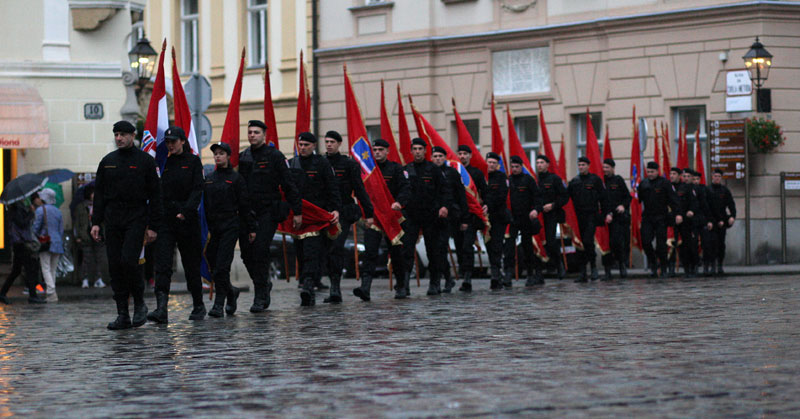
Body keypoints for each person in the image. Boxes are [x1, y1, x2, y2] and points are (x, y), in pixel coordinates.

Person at [92, 120, 161, 330]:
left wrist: (153, 225)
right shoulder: (107, 161)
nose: (119, 138)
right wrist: (96, 222)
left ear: (132, 136)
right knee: (115, 266)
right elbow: (99, 194)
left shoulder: (145, 161)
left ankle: (139, 303)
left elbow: (156, 195)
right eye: (116, 135)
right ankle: (122, 313)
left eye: (123, 134)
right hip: (113, 218)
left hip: (136, 216)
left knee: (129, 261)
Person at [238, 120, 302, 312]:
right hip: (248, 211)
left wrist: (297, 211)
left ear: (264, 135)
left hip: (268, 211)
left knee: (260, 249)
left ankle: (260, 294)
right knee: (246, 253)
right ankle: (264, 282)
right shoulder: (244, 156)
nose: (252, 135)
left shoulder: (275, 156)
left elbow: (288, 184)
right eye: (250, 132)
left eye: (256, 132)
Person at [147, 127, 206, 323]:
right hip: (166, 220)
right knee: (163, 264)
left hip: (186, 221)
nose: (170, 145)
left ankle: (198, 305)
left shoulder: (193, 161)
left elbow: (198, 189)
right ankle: (161, 309)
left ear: (182, 141)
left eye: (173, 141)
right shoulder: (164, 162)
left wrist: (186, 211)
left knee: (191, 264)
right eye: (168, 142)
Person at [204, 142, 256, 317]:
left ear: (228, 156)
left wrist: (251, 227)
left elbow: (244, 205)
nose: (218, 156)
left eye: (221, 153)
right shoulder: (209, 178)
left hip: (230, 225)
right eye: (216, 154)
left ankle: (218, 304)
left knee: (222, 266)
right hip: (213, 227)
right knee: (213, 265)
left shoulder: (236, 178)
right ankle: (231, 291)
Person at [289, 132, 341, 306]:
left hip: (317, 216)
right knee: (300, 252)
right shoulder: (292, 163)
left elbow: (332, 187)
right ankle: (307, 286)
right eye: (300, 145)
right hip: (298, 216)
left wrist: (335, 209)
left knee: (312, 251)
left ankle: (308, 286)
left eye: (306, 145)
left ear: (313, 146)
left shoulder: (321, 163)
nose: (302, 148)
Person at [355, 138, 411, 300]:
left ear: (387, 151)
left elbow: (405, 188)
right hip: (373, 218)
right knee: (370, 253)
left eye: (381, 150)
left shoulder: (396, 169)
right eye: (375, 150)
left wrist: (399, 202)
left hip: (392, 218)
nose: (378, 152)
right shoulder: (368, 169)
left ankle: (401, 286)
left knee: (397, 254)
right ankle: (365, 288)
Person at [323, 130, 374, 303]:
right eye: (327, 142)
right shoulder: (321, 163)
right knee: (326, 250)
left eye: (332, 142)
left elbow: (359, 189)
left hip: (343, 212)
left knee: (336, 247)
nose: (329, 145)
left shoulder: (349, 164)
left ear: (339, 144)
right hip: (323, 212)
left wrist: (369, 213)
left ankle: (335, 288)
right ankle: (329, 284)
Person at [402, 138, 449, 296]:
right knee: (407, 250)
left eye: (420, 149)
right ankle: (404, 284)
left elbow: (444, 190)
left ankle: (434, 282)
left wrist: (444, 206)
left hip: (431, 215)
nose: (417, 152)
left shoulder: (433, 169)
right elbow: (401, 191)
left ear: (425, 151)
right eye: (415, 149)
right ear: (411, 151)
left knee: (433, 250)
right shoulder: (406, 170)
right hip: (411, 215)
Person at [431, 146, 468, 294]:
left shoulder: (452, 173)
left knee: (445, 247)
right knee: (436, 250)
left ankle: (455, 277)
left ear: (445, 158)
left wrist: (464, 218)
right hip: (432, 216)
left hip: (451, 216)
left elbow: (461, 195)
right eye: (435, 156)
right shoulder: (428, 171)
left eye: (440, 156)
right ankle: (447, 277)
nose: (438, 159)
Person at [637, 161, 682, 278]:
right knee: (646, 242)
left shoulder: (665, 183)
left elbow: (674, 200)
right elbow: (639, 199)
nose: (650, 174)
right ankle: (653, 263)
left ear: (657, 171)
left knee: (661, 245)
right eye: (648, 172)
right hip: (647, 217)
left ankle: (663, 267)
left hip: (661, 217)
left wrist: (678, 214)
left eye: (652, 172)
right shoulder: (643, 183)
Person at [504, 156, 543, 287]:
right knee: (509, 247)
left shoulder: (528, 180)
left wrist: (536, 210)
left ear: (521, 167)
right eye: (512, 167)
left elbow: (538, 198)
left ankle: (530, 274)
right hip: (512, 219)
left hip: (526, 218)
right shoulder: (508, 181)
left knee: (527, 247)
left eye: (517, 167)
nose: (514, 169)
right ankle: (508, 274)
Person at [568, 156, 608, 282]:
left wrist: (604, 214)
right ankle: (583, 272)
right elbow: (567, 198)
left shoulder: (595, 180)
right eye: (579, 165)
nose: (581, 167)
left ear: (588, 166)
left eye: (583, 165)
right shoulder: (574, 181)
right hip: (578, 217)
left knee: (588, 241)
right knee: (580, 244)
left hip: (591, 215)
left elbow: (603, 198)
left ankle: (593, 267)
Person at [0, 201, 47, 305]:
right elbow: (22, 223)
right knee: (29, 269)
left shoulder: (16, 209)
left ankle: (3, 293)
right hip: (21, 243)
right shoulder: (16, 210)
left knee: (17, 270)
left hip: (20, 243)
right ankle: (33, 296)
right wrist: (31, 213)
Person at [455, 145, 487, 292]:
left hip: (472, 214)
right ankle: (463, 271)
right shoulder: (454, 172)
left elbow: (484, 191)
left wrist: (486, 205)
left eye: (465, 154)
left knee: (468, 246)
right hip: (457, 215)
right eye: (460, 154)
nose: (462, 156)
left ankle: (467, 277)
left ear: (470, 156)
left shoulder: (477, 173)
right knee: (459, 246)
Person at [536, 155, 569, 279]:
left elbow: (564, 196)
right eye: (537, 163)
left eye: (542, 162)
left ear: (547, 164)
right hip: (538, 215)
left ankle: (558, 264)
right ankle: (541, 269)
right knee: (538, 242)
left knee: (550, 242)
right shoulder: (534, 180)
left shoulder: (554, 179)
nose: (539, 165)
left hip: (551, 214)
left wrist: (553, 205)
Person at [601, 158, 631, 280]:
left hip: (617, 218)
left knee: (617, 243)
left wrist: (623, 205)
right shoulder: (600, 181)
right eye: (604, 167)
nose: (605, 170)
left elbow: (627, 197)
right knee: (604, 245)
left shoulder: (618, 180)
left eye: (607, 167)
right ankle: (607, 270)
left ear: (613, 168)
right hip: (604, 218)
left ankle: (621, 265)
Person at [483, 152, 509, 290]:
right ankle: (495, 271)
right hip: (485, 218)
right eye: (489, 162)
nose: (491, 165)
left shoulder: (501, 177)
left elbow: (501, 196)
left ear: (497, 165)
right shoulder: (482, 176)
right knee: (488, 245)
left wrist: (489, 205)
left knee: (497, 245)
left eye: (494, 163)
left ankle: (496, 274)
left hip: (498, 217)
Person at [34, 188, 64, 302]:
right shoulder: (58, 211)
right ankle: (52, 294)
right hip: (57, 242)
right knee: (53, 269)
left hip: (45, 241)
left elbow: (35, 228)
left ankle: (51, 292)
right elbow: (61, 230)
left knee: (45, 268)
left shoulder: (40, 210)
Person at [73, 185, 107, 289]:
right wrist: (78, 236)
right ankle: (85, 279)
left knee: (99, 258)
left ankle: (98, 279)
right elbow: (77, 223)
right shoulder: (81, 207)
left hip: (98, 234)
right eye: (92, 193)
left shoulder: (100, 206)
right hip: (85, 235)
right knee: (86, 259)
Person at [707, 169, 736, 275]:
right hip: (711, 221)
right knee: (711, 244)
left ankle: (720, 265)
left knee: (721, 244)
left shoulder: (724, 190)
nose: (717, 178)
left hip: (722, 221)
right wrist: (709, 221)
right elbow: (705, 207)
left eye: (719, 176)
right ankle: (712, 265)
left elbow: (731, 204)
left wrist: (732, 216)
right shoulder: (708, 190)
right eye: (715, 176)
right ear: (712, 177)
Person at [675, 169, 700, 277]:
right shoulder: (679, 188)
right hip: (683, 221)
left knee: (693, 245)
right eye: (684, 176)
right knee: (684, 246)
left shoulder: (696, 189)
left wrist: (692, 211)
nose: (686, 178)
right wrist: (678, 214)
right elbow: (676, 203)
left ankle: (694, 265)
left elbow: (699, 203)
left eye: (688, 176)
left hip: (693, 221)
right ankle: (686, 267)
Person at [691, 170, 716, 277]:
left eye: (697, 179)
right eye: (694, 179)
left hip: (704, 220)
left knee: (706, 244)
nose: (695, 181)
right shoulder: (689, 189)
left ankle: (706, 265)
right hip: (693, 221)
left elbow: (709, 206)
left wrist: (710, 220)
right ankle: (695, 265)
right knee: (693, 244)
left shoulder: (705, 190)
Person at [666, 167, 683, 276]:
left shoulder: (684, 187)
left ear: (679, 176)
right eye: (671, 174)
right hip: (670, 219)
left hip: (683, 219)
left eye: (674, 174)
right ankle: (671, 266)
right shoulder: (667, 186)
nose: (672, 176)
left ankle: (687, 266)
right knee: (670, 243)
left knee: (683, 244)